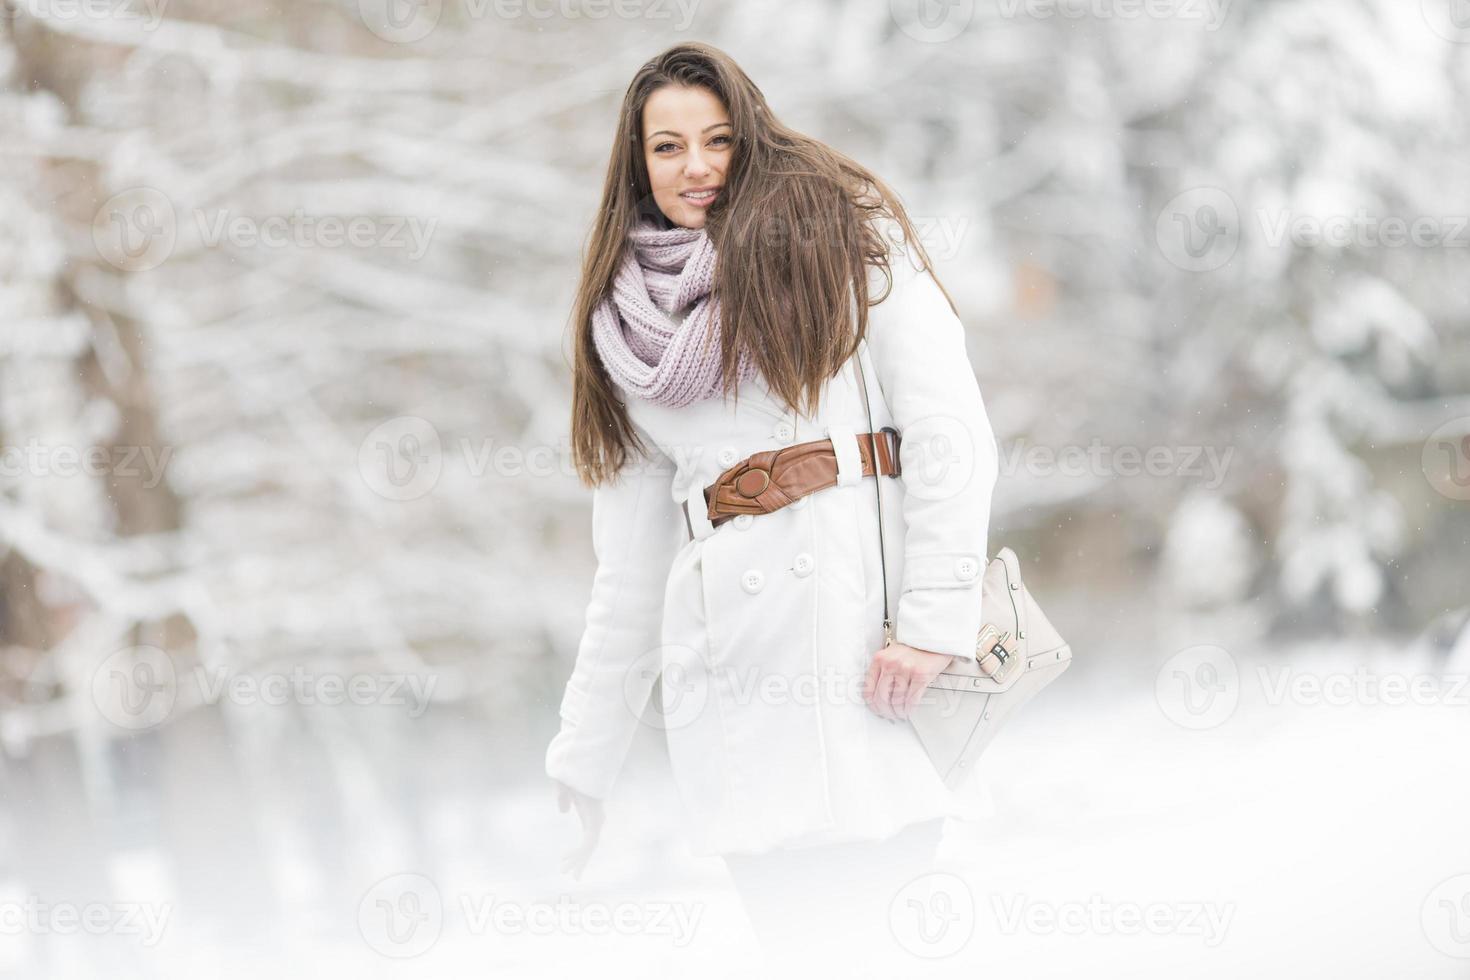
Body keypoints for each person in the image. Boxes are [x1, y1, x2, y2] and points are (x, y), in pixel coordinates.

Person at [547, 40, 1000, 971]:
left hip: (866, 666)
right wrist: (583, 763)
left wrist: (931, 625)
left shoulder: (845, 240)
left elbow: (954, 437)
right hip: (732, 695)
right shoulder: (621, 329)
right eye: (666, 147)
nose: (696, 166)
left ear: (748, 136)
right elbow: (628, 573)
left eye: (715, 139)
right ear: (635, 163)